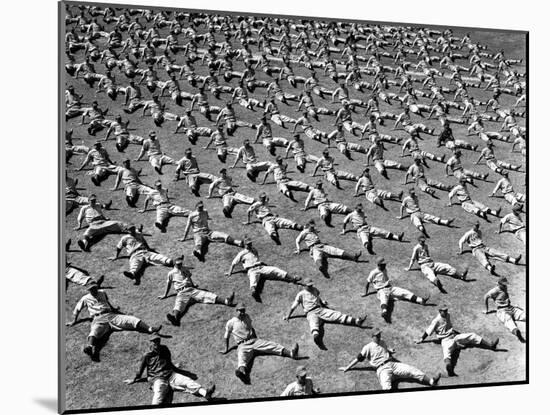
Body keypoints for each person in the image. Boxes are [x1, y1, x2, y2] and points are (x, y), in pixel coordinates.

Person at [66, 282, 162, 362]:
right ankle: (91, 348)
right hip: (98, 319)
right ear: (88, 290)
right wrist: (73, 321)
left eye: (95, 288)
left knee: (131, 319)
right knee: (94, 332)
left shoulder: (102, 292)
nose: (94, 290)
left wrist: (114, 309)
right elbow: (77, 309)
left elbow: (107, 302)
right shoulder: (85, 298)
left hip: (111, 315)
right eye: (91, 289)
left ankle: (150, 329)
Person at [220, 303, 300, 384]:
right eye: (240, 311)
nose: (242, 312)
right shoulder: (231, 322)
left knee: (271, 345)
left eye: (243, 310)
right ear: (236, 311)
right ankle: (242, 374)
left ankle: (291, 354)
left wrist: (256, 338)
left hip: (254, 341)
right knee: (241, 358)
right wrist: (226, 349)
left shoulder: (247, 316)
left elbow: (251, 327)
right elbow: (226, 336)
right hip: (242, 345)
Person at [124, 334, 216, 404]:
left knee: (188, 382)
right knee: (158, 395)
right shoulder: (147, 355)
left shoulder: (165, 349)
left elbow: (169, 363)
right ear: (150, 343)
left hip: (171, 375)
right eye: (154, 341)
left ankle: (205, 393)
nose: (156, 343)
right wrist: (134, 379)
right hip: (158, 379)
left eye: (157, 341)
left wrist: (178, 370)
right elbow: (140, 371)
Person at [339, 329, 441, 390]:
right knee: (386, 387)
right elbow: (358, 358)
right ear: (372, 336)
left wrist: (390, 350)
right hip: (382, 370)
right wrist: (347, 367)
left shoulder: (382, 341)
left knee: (412, 370)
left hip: (393, 365)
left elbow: (385, 349)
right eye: (377, 335)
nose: (379, 336)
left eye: (379, 334)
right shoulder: (367, 347)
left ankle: (431, 382)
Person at [284, 278, 367, 350]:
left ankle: (356, 321)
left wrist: (326, 306)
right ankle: (318, 340)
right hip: (310, 313)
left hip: (320, 309)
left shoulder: (315, 289)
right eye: (308, 285)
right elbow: (294, 306)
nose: (310, 286)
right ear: (304, 286)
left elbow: (318, 299)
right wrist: (288, 315)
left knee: (337, 315)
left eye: (311, 285)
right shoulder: (301, 294)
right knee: (314, 325)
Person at [415, 306, 499, 376]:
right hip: (445, 340)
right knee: (447, 353)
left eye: (446, 310)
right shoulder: (436, 320)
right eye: (444, 310)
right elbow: (428, 331)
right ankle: (450, 370)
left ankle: (491, 346)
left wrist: (459, 336)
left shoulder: (448, 315)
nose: (446, 311)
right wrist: (421, 339)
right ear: (439, 311)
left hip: (454, 336)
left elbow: (450, 327)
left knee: (472, 335)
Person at [160, 257, 235, 326]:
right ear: (174, 264)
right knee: (179, 305)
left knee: (207, 295)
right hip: (182, 292)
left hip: (191, 289)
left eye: (181, 263)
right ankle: (175, 319)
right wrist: (165, 294)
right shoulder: (171, 273)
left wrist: (193, 285)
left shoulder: (185, 269)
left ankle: (226, 301)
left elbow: (189, 278)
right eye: (178, 264)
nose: (180, 265)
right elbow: (169, 284)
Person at [226, 237, 302, 302]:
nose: (250, 245)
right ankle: (254, 294)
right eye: (248, 244)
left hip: (261, 267)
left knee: (275, 269)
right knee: (253, 281)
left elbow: (256, 258)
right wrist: (230, 272)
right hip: (252, 270)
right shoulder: (242, 253)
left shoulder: (254, 250)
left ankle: (293, 278)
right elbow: (234, 263)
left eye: (250, 243)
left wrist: (261, 263)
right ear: (244, 245)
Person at [363, 258, 429, 323]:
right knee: (384, 298)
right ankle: (384, 312)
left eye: (385, 264)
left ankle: (421, 300)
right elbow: (367, 282)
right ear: (379, 264)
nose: (385, 265)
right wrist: (366, 293)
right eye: (383, 264)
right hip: (381, 290)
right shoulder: (373, 272)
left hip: (390, 288)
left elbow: (385, 279)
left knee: (404, 292)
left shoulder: (384, 270)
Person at [295, 219, 361, 279]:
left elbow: (315, 232)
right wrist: (298, 249)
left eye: (313, 226)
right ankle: (323, 270)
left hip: (322, 245)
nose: (313, 227)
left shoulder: (314, 230)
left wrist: (316, 231)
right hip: (314, 248)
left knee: (336, 251)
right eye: (311, 226)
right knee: (317, 258)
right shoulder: (304, 233)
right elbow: (297, 240)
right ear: (308, 225)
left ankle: (354, 257)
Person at [483, 277, 526, 343]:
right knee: (509, 323)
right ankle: (517, 333)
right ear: (499, 284)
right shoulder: (495, 290)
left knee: (524, 315)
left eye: (505, 284)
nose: (504, 285)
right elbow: (485, 296)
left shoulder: (505, 287)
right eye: (503, 284)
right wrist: (486, 309)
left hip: (511, 308)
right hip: (502, 311)